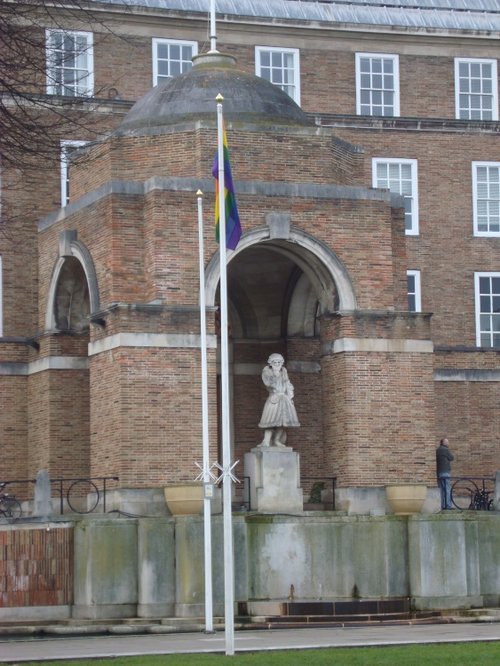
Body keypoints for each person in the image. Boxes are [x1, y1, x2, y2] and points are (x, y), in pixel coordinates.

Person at [258, 353, 300, 447]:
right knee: (269, 421)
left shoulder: (283, 371)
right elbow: (268, 383)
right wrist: (275, 375)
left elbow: (288, 384)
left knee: (283, 422)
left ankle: (277, 440)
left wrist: (290, 396)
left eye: (279, 362)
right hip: (274, 398)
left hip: (284, 399)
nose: (277, 364)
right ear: (271, 363)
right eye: (275, 362)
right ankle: (266, 441)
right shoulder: (267, 371)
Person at [436, 437, 454, 509]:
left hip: (439, 472)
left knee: (442, 489)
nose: (448, 443)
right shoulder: (445, 450)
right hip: (445, 472)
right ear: (443, 443)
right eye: (447, 442)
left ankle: (443, 505)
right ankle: (448, 505)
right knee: (447, 489)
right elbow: (452, 458)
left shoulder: (437, 450)